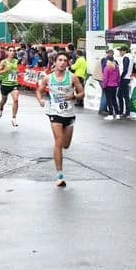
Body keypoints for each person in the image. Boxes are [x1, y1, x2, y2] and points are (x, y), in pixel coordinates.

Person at [36, 53, 84, 187]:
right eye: (60, 60)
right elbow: (39, 91)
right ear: (55, 62)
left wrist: (73, 97)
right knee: (58, 141)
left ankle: (60, 157)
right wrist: (40, 100)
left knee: (66, 145)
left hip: (69, 114)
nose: (63, 62)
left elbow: (82, 93)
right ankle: (60, 175)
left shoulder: (72, 78)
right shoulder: (48, 78)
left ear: (68, 63)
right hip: (55, 113)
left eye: (65, 60)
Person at [0, 46, 20, 127]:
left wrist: (18, 73)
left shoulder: (17, 61)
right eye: (10, 50)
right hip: (5, 84)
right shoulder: (4, 62)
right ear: (7, 52)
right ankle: (0, 109)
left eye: (13, 51)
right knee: (3, 100)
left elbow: (18, 71)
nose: (12, 52)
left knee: (16, 100)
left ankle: (14, 118)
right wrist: (6, 70)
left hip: (14, 84)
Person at [102, 56, 121, 120]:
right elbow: (118, 77)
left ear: (108, 61)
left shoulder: (107, 68)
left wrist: (104, 86)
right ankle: (117, 114)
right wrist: (117, 84)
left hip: (108, 86)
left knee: (109, 101)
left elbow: (105, 78)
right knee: (114, 100)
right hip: (114, 86)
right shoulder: (117, 68)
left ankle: (110, 114)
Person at [117, 46, 133, 118]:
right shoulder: (130, 57)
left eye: (120, 51)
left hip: (124, 78)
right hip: (127, 77)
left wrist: (121, 77)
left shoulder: (126, 57)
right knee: (122, 95)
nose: (120, 52)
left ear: (124, 51)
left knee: (123, 95)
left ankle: (126, 112)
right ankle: (123, 111)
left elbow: (125, 69)